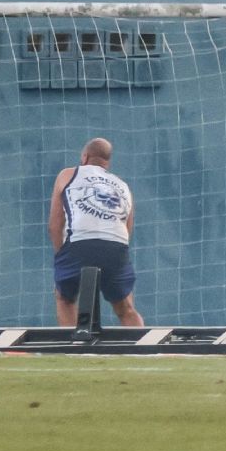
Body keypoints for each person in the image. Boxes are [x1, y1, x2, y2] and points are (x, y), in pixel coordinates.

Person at [49, 138, 144, 327]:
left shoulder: (67, 174)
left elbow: (54, 224)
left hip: (79, 243)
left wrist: (61, 255)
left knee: (65, 298)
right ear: (106, 163)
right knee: (125, 308)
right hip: (116, 246)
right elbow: (127, 228)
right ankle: (144, 352)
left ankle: (73, 351)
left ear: (84, 157)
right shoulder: (122, 186)